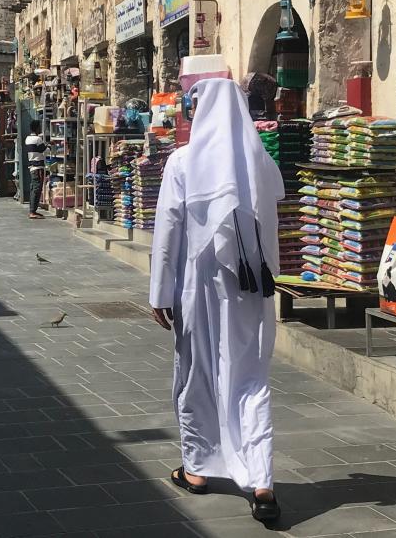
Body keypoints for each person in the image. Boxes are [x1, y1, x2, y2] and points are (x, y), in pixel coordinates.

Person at [149, 76, 284, 523]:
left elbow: (168, 234)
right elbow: (273, 226)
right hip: (250, 287)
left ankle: (197, 470)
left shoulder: (183, 162)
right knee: (250, 378)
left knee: (196, 373)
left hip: (198, 285)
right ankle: (261, 482)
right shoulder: (260, 161)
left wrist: (160, 291)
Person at [25, 120, 47, 220]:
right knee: (37, 189)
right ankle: (32, 211)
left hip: (32, 166)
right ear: (37, 128)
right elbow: (44, 150)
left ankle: (32, 210)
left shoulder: (28, 138)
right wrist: (50, 145)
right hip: (38, 167)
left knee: (33, 188)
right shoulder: (38, 139)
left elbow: (37, 150)